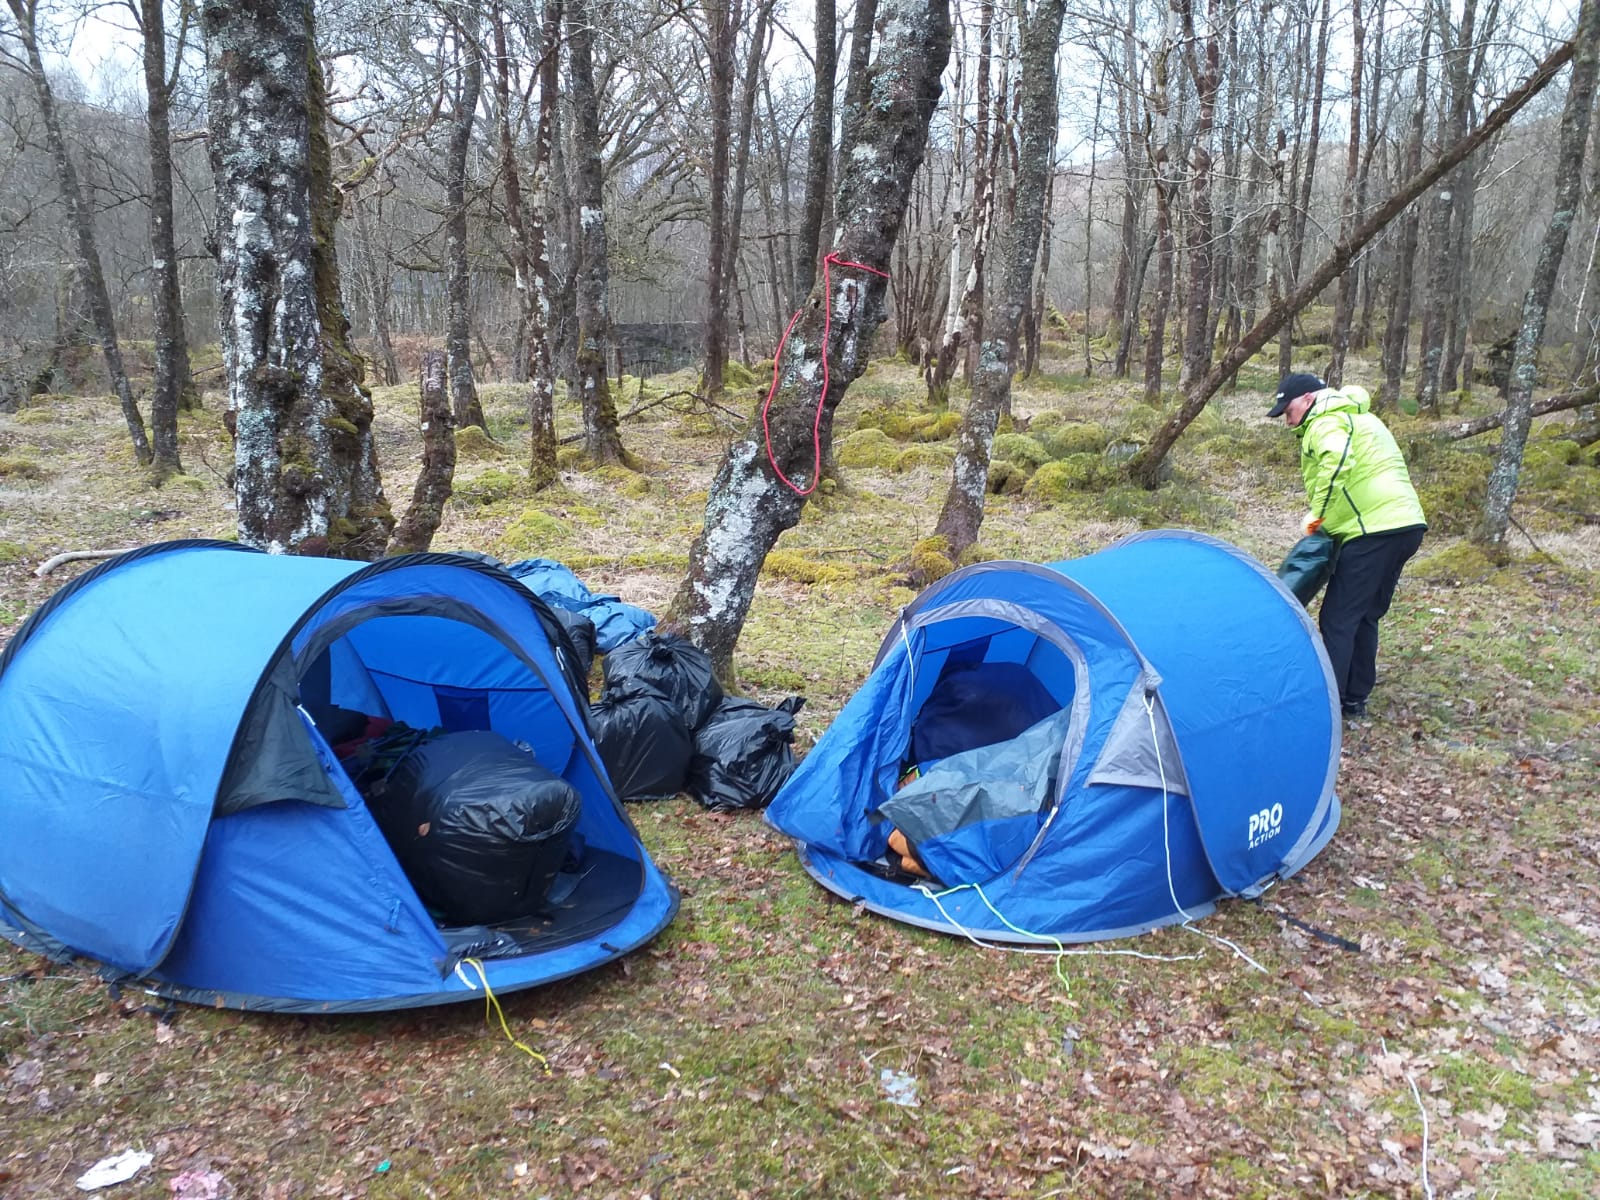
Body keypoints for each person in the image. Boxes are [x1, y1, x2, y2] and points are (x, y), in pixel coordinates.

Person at [1268, 372, 1427, 720]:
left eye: (1288, 410)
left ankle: (1327, 709)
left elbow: (1337, 460)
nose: (1287, 419)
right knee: (1366, 614)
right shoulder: (1359, 415)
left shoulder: (1325, 419)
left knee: (1339, 618)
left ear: (1308, 398)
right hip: (1407, 525)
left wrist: (1317, 517)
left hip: (1373, 530)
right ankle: (1354, 699)